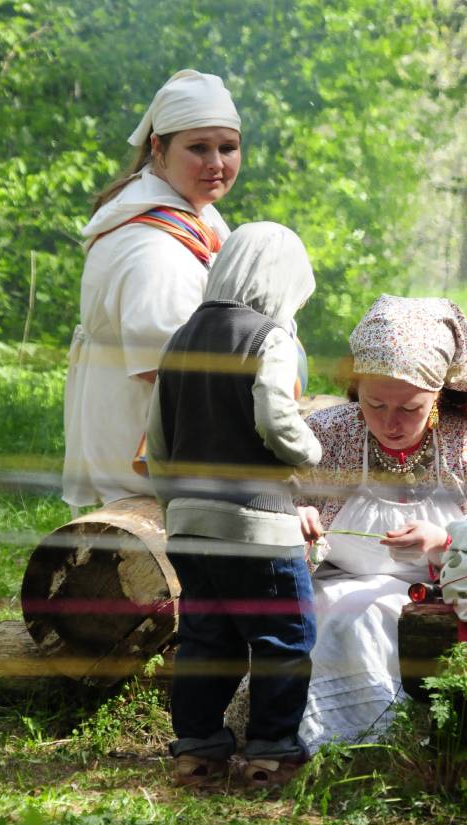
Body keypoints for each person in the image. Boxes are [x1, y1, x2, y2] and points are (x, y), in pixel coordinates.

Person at [295, 295, 467, 753]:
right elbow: (270, 500)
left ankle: (404, 746)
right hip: (335, 589)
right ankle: (329, 744)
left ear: (439, 395)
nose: (390, 423)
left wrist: (446, 543)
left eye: (410, 409)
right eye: (374, 403)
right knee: (342, 615)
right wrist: (294, 515)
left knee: (374, 617)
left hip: (444, 600)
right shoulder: (329, 433)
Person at [146, 222, 322, 788]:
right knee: (281, 639)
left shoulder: (180, 338)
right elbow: (274, 417)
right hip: (257, 525)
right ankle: (270, 757)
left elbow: (158, 438)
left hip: (190, 523)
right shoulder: (268, 337)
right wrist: (309, 451)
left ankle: (197, 752)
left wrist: (176, 505)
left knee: (207, 639)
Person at [62, 70, 242, 511]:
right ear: (158, 148)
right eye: (198, 148)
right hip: (144, 452)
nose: (216, 162)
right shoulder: (155, 251)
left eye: (228, 147)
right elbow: (160, 368)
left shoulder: (190, 211)